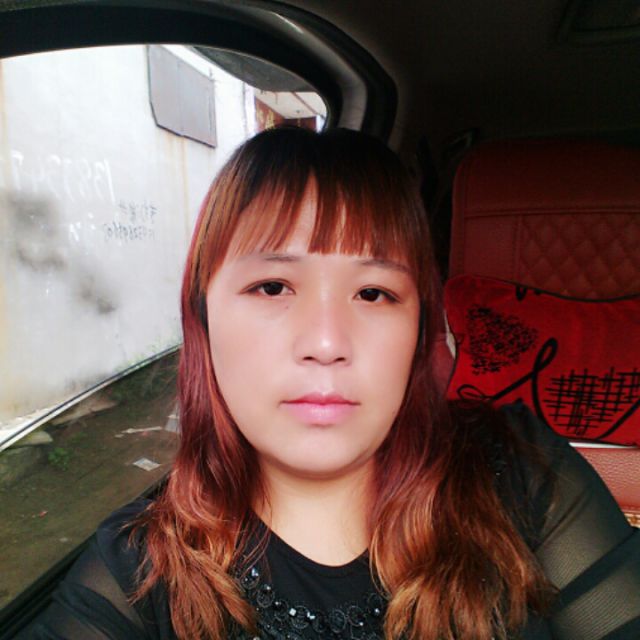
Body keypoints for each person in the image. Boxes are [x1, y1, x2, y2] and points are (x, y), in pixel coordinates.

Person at [28, 127, 640, 640]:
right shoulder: (137, 569)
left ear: (419, 330)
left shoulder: (522, 474)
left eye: (373, 293)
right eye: (272, 287)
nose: (326, 343)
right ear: (203, 318)